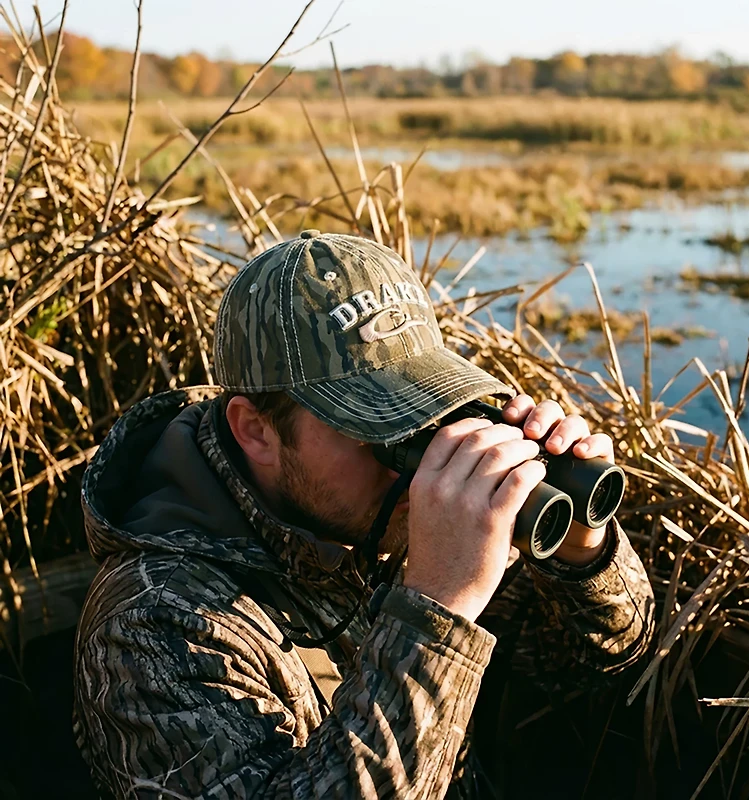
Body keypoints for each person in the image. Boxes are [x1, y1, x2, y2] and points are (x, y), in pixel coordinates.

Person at [74, 230, 654, 799]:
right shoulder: (150, 625)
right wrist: (436, 610)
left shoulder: (390, 514)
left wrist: (581, 549)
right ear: (256, 431)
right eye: (376, 429)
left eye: (427, 411)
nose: (416, 463)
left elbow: (590, 664)